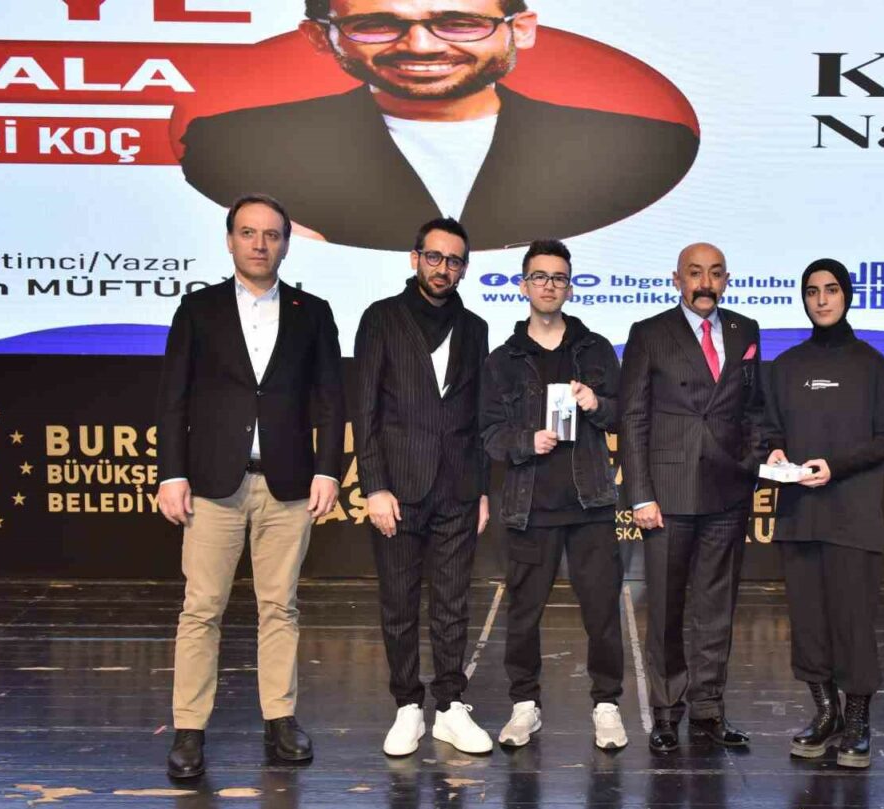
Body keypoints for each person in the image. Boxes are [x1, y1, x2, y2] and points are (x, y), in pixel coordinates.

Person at [179, 0, 699, 251]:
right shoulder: (233, 149)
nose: (422, 46)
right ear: (321, 38)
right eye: (375, 25)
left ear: (521, 29)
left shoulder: (645, 150)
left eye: (459, 23)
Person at [156, 193, 346, 779]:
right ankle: (189, 730)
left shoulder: (314, 313)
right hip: (213, 485)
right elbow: (173, 398)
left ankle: (280, 720)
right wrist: (172, 472)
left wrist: (328, 470)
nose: (260, 244)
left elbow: (330, 400)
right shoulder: (198, 309)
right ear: (229, 240)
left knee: (280, 607)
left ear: (286, 244)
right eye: (248, 232)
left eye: (271, 234)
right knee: (201, 609)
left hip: (288, 484)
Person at [762, 259, 884, 768]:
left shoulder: (872, 365)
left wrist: (838, 466)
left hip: (853, 517)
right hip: (799, 516)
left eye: (831, 289)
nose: (822, 299)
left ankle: (857, 720)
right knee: (809, 623)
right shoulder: (785, 366)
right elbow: (769, 428)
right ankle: (825, 712)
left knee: (853, 623)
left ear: (847, 295)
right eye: (812, 291)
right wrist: (775, 450)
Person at [479, 239, 628, 750]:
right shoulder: (503, 360)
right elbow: (489, 435)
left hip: (591, 504)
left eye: (558, 277)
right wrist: (526, 441)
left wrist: (596, 402)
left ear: (570, 286)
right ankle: (525, 705)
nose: (549, 285)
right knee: (523, 613)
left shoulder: (596, 349)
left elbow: (623, 415)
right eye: (539, 276)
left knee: (602, 612)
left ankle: (607, 704)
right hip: (530, 507)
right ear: (524, 286)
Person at [355, 216, 493, 757]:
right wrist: (374, 486)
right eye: (434, 257)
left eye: (454, 260)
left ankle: (450, 707)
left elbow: (479, 417)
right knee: (399, 602)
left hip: (458, 487)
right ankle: (408, 707)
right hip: (398, 488)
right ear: (415, 259)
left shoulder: (475, 327)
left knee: (453, 603)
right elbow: (364, 408)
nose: (443, 268)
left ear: (464, 268)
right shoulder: (381, 318)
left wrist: (482, 490)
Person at [619, 242, 765, 754]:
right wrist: (640, 494)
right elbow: (632, 417)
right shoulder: (649, 333)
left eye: (715, 273)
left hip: (727, 490)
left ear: (726, 279)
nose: (705, 283)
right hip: (668, 492)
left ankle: (708, 709)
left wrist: (752, 463)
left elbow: (754, 408)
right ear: (676, 279)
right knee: (665, 609)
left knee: (716, 608)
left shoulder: (746, 330)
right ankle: (665, 711)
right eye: (695, 273)